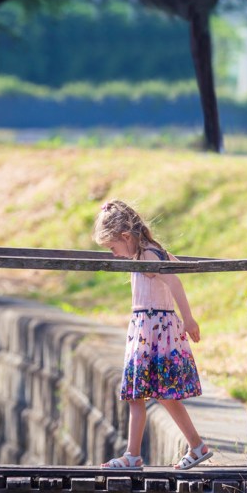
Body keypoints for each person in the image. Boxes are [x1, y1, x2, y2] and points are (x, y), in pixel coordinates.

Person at [94, 200, 212, 470]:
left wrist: (188, 318)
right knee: (144, 394)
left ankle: (188, 447)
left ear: (126, 237)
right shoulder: (144, 254)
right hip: (145, 328)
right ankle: (141, 454)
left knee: (157, 393)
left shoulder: (149, 255)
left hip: (155, 329)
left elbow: (174, 280)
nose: (113, 254)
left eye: (113, 248)